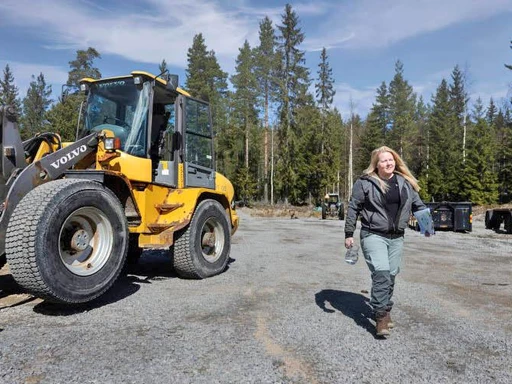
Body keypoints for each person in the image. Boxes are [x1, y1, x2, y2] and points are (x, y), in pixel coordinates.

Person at [344, 146, 428, 337]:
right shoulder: (365, 183)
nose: (388, 163)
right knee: (381, 272)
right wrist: (349, 233)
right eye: (384, 160)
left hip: (396, 237)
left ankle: (385, 308)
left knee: (391, 275)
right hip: (373, 234)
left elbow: (418, 205)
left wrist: (427, 226)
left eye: (391, 160)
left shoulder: (404, 182)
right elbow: (353, 208)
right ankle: (380, 316)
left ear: (395, 162)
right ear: (376, 164)